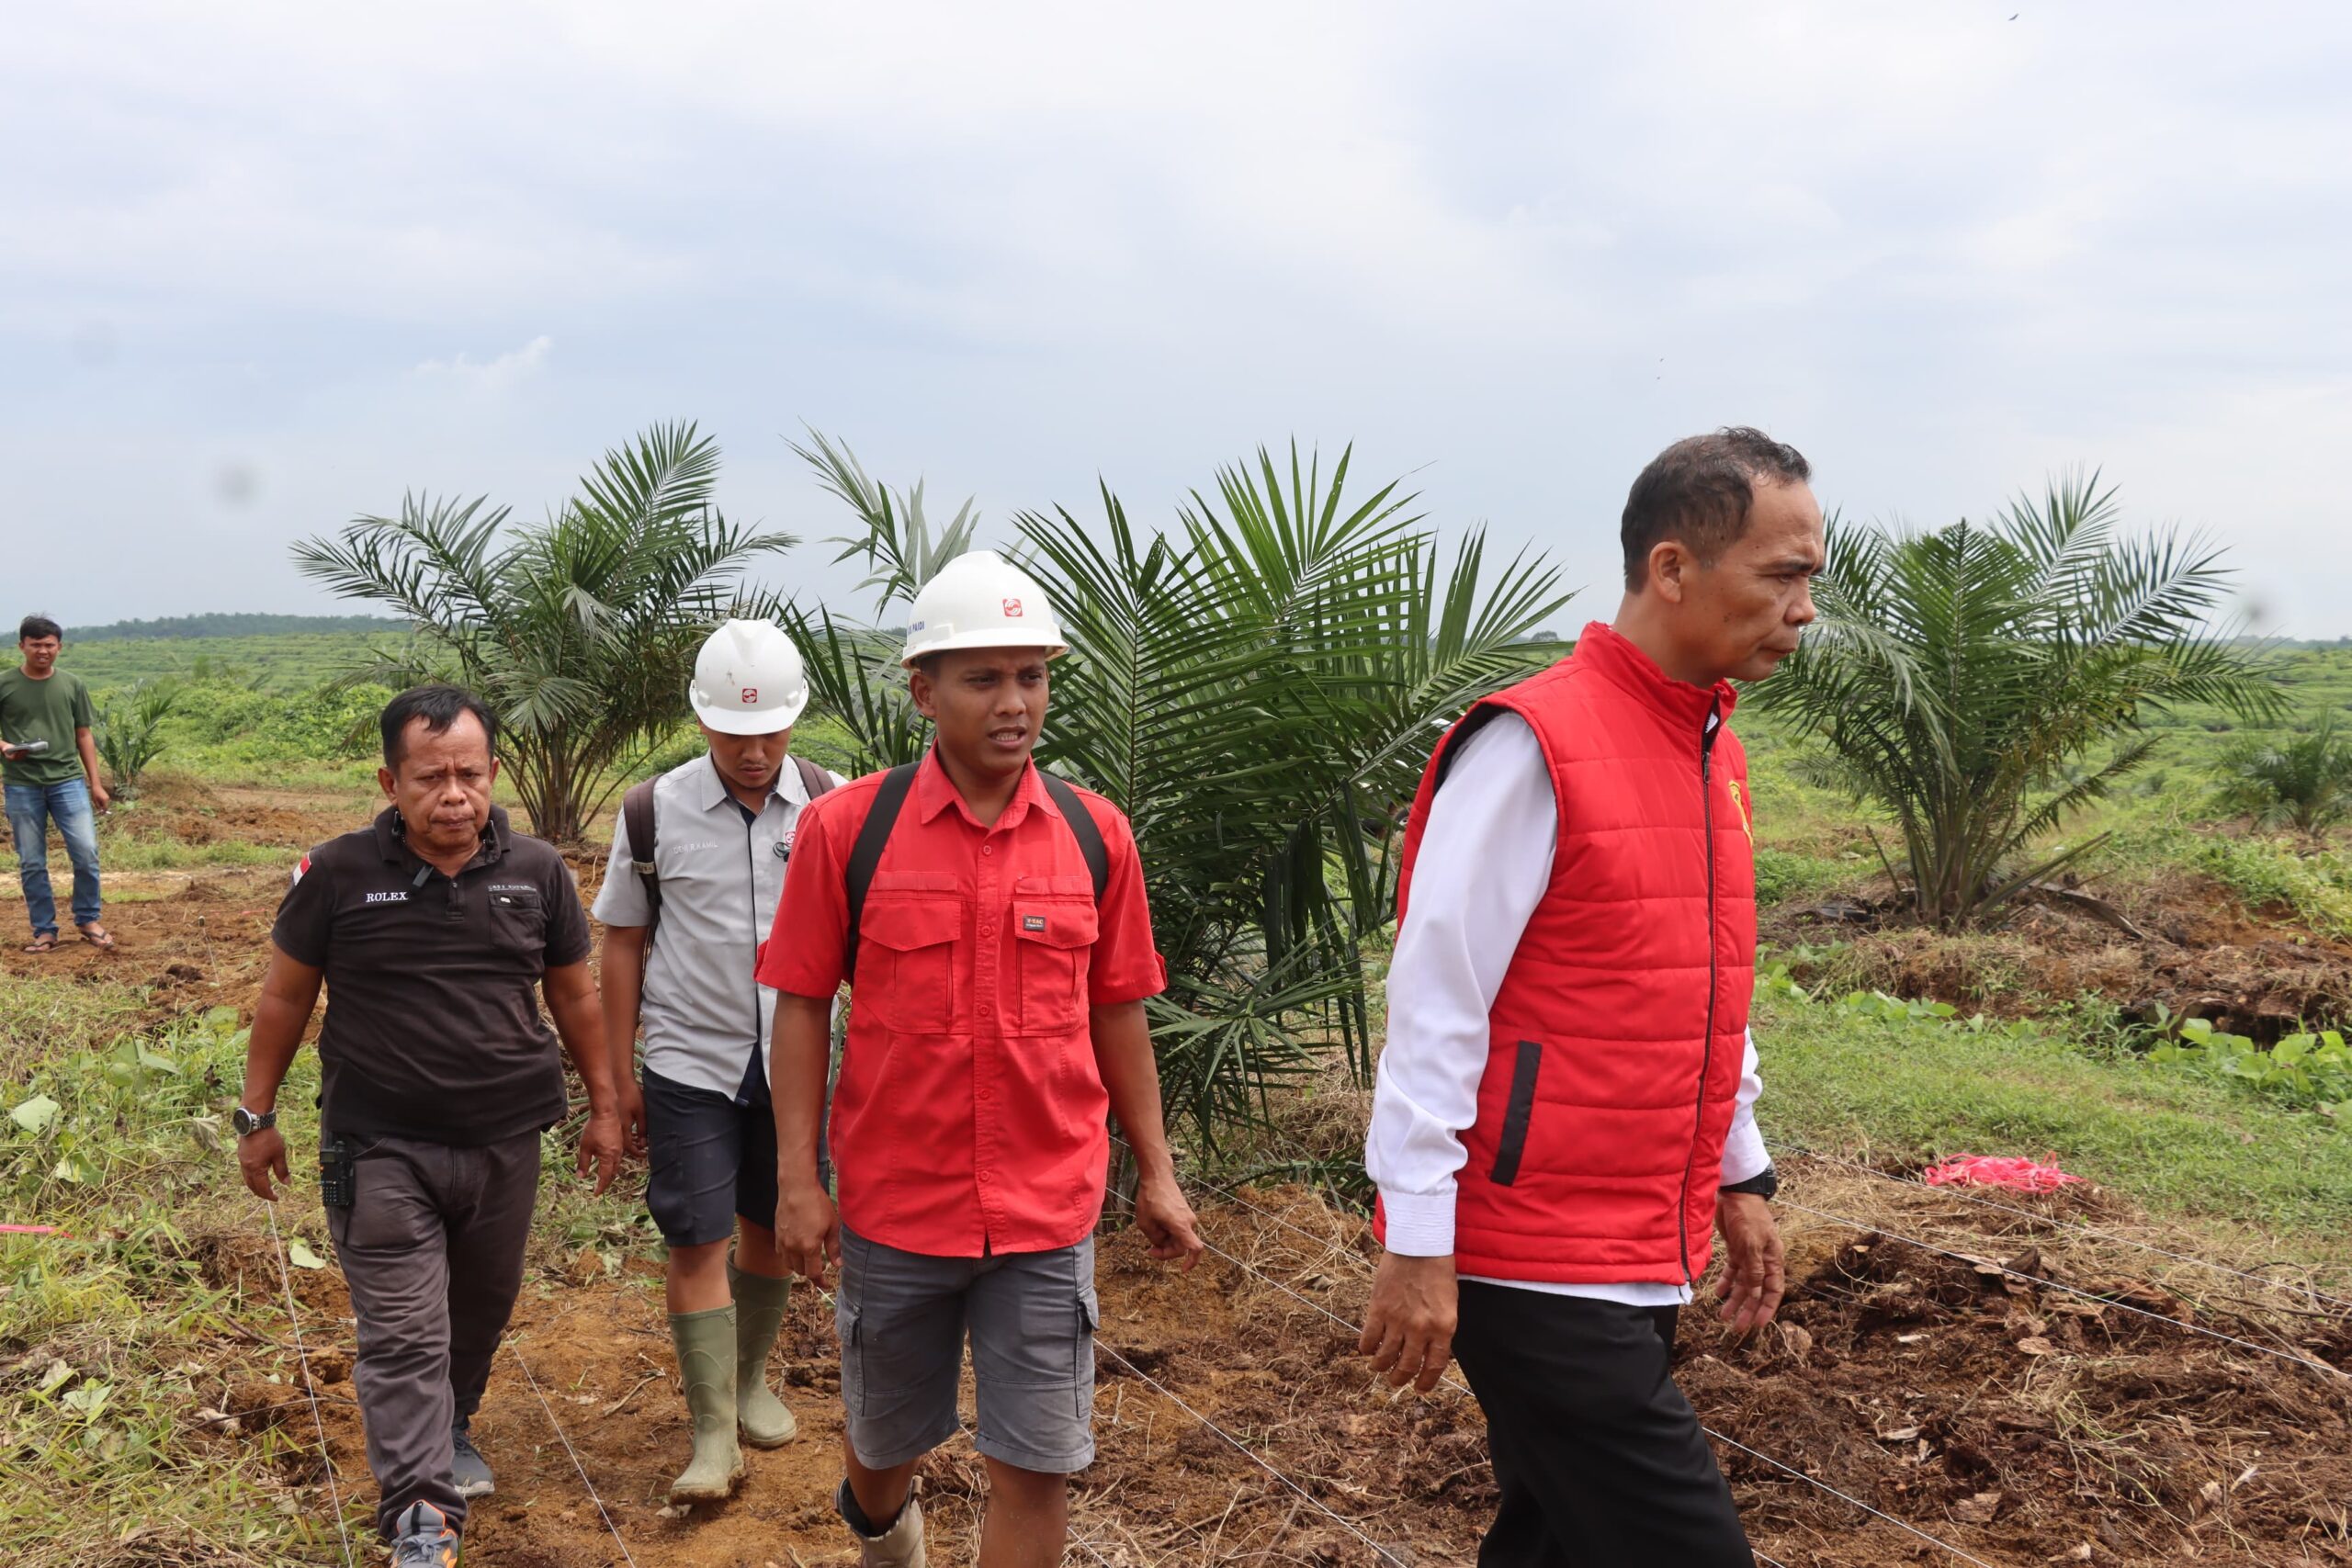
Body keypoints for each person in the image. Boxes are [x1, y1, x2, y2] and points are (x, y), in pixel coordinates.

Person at [1357, 427, 1822, 1566]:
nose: (1804, 610)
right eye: (1780, 576)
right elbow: (1435, 998)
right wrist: (1416, 1237)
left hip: (1633, 1239)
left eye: (1810, 578)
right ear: (1672, 569)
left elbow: (1699, 987)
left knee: (1558, 1539)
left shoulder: (1710, 745)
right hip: (1532, 1250)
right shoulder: (1533, 746)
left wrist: (1736, 1170)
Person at [758, 550, 1205, 1568]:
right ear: (923, 692)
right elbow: (796, 1006)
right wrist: (797, 1180)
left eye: (1031, 675)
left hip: (1046, 1211)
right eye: (983, 678)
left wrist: (1159, 1173)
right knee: (883, 1445)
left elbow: (1120, 1012)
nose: (1014, 702)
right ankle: (882, 1527)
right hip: (896, 1207)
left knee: (1035, 1462)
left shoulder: (1096, 837)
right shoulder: (848, 832)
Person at [234, 683, 624, 1568]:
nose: (455, 795)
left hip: (505, 1139)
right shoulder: (336, 874)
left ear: (492, 773)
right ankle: (420, 1511)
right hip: (377, 1142)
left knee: (477, 1312)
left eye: (470, 774)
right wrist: (257, 1114)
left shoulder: (536, 871)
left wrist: (605, 1103)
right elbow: (286, 994)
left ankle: (450, 1424)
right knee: (405, 1327)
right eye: (431, 777)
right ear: (389, 780)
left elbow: (574, 994)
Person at [593, 619, 845, 1504]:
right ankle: (711, 1436)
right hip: (690, 1060)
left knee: (773, 1228)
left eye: (771, 733)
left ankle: (747, 1383)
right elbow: (623, 941)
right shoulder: (653, 811)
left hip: (794, 1065)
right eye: (737, 736)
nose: (756, 752)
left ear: (794, 721)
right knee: (694, 1235)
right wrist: (621, 1074)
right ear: (704, 723)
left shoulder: (828, 804)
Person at [2, 614, 113, 953]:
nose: (42, 650)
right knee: (32, 861)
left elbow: (84, 733)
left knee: (86, 853)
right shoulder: (5, 684)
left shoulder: (71, 684)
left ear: (59, 647)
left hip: (67, 781)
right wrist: (5, 747)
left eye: (49, 644)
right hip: (22, 784)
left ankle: (87, 919)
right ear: (22, 645)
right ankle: (44, 930)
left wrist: (95, 783)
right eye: (35, 644)